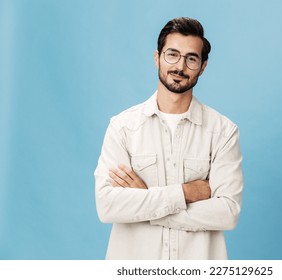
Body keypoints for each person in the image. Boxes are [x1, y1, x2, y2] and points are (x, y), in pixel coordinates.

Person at [94, 17, 243, 260]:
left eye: (191, 59)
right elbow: (108, 206)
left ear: (203, 66)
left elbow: (227, 212)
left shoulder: (223, 132)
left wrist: (146, 200)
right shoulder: (123, 127)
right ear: (157, 58)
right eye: (172, 54)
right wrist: (184, 193)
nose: (180, 66)